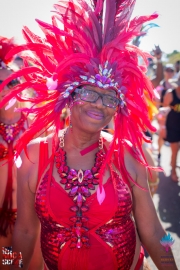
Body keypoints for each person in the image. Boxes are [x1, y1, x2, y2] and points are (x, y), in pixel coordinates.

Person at [0, 1, 178, 270]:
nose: (99, 103)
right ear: (67, 97)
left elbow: (155, 232)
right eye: (88, 92)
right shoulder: (35, 156)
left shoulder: (126, 153)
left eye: (110, 97)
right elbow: (24, 233)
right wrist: (14, 266)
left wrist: (169, 263)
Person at [0, 36, 43, 270]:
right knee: (5, 265)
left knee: (25, 266)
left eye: (12, 84)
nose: (6, 90)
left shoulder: (38, 125)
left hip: (29, 221)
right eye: (0, 83)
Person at [163, 77, 180, 182]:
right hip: (171, 125)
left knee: (176, 149)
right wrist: (163, 127)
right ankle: (173, 171)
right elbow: (163, 111)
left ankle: (172, 162)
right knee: (176, 149)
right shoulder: (170, 93)